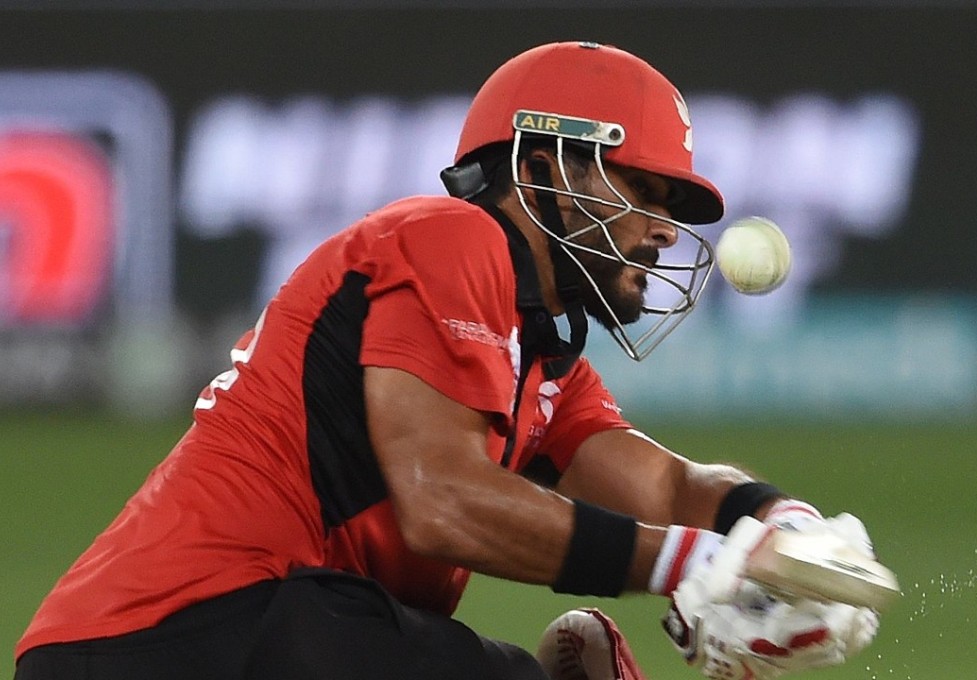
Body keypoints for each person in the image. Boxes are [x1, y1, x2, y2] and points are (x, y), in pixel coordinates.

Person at [14, 41, 880, 680]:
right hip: (189, 633)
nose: (663, 229)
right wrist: (695, 566)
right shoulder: (452, 237)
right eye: (641, 189)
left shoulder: (539, 358)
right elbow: (444, 502)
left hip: (218, 637)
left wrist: (782, 524)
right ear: (543, 167)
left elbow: (660, 486)